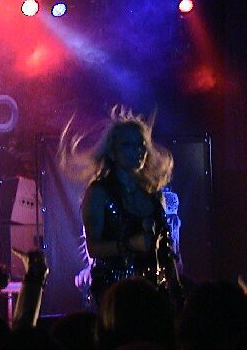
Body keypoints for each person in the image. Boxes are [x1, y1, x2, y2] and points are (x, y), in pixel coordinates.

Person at [59, 107, 180, 306]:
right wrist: (130, 244)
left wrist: (175, 286)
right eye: (127, 145)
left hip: (152, 292)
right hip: (114, 294)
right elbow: (94, 248)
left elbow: (166, 248)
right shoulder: (99, 193)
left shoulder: (153, 194)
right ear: (113, 152)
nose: (137, 151)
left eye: (141, 145)